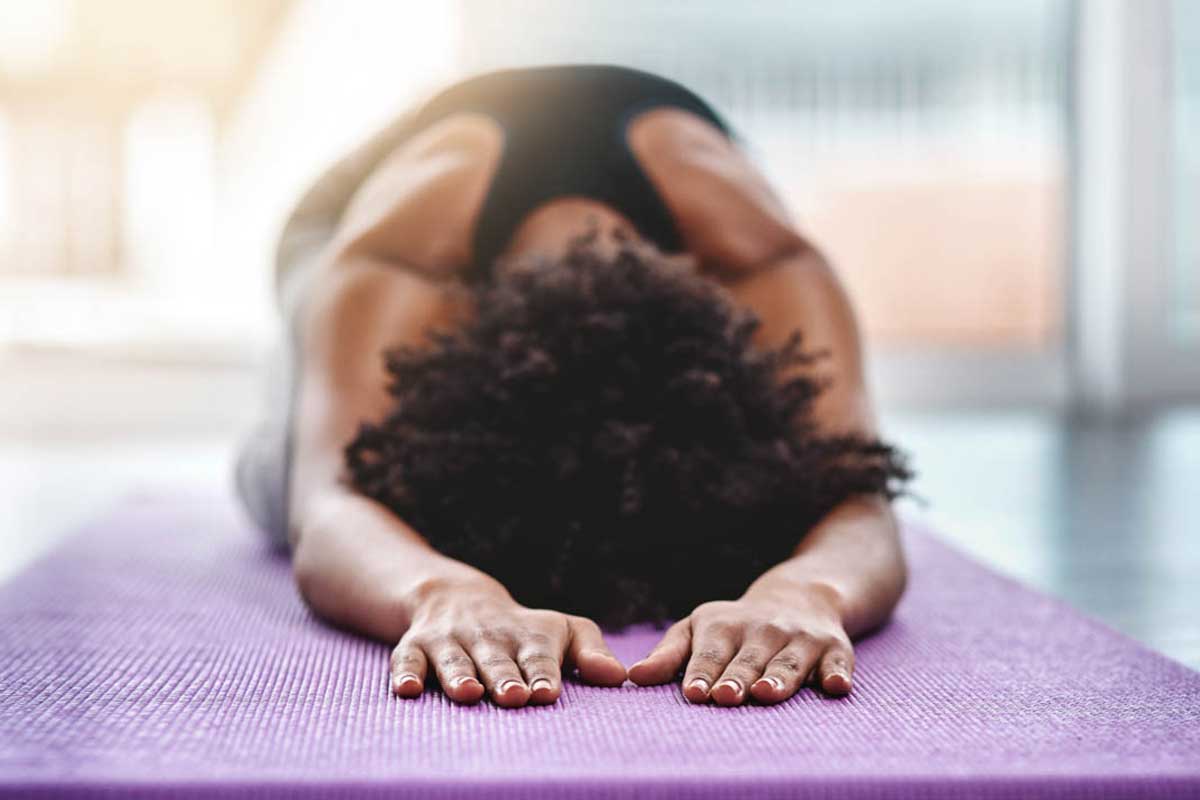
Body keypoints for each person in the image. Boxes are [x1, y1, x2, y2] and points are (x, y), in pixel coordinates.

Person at [234, 64, 910, 710]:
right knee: (284, 473)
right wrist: (442, 590)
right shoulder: (401, 259)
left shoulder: (764, 262)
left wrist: (806, 591)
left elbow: (857, 494)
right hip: (355, 218)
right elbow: (328, 506)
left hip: (657, 200)